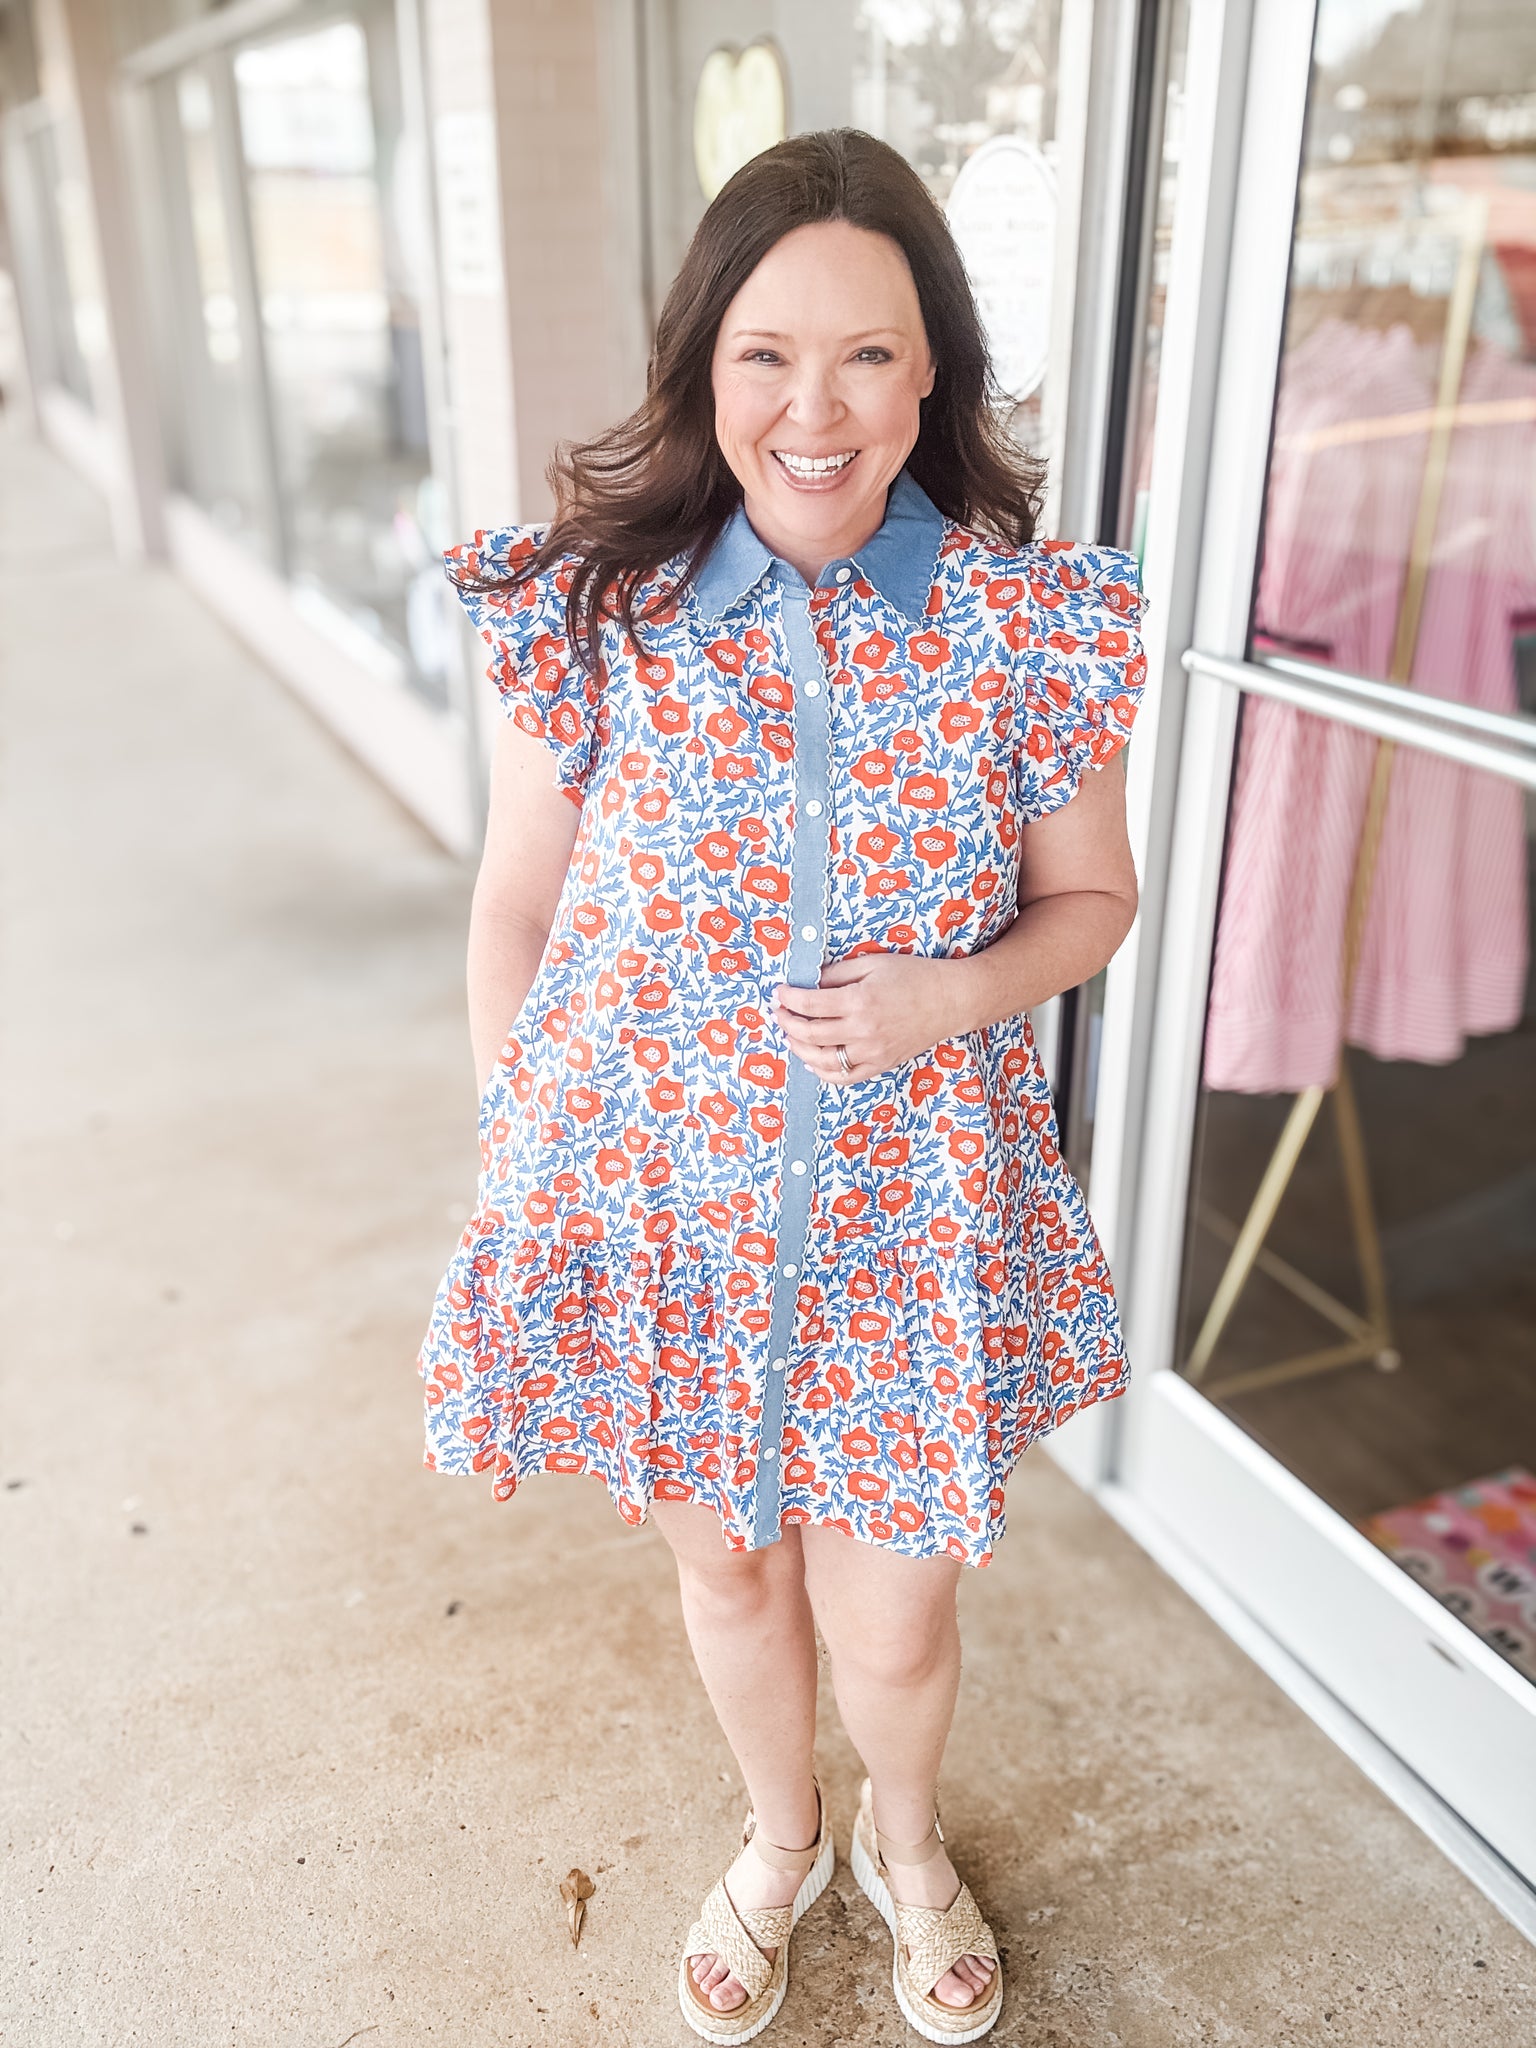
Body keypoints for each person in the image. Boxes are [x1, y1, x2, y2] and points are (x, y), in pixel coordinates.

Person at [419, 128, 1147, 2045]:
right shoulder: (593, 615)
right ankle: (779, 1835)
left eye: (868, 354)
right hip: (668, 1215)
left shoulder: (1027, 624)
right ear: (704, 366)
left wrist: (952, 996)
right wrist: (527, 1155)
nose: (814, 407)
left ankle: (909, 1850)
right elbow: (517, 910)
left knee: (894, 1610)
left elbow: (1095, 902)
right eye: (766, 353)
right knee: (735, 1579)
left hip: (909, 1216)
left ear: (934, 373)